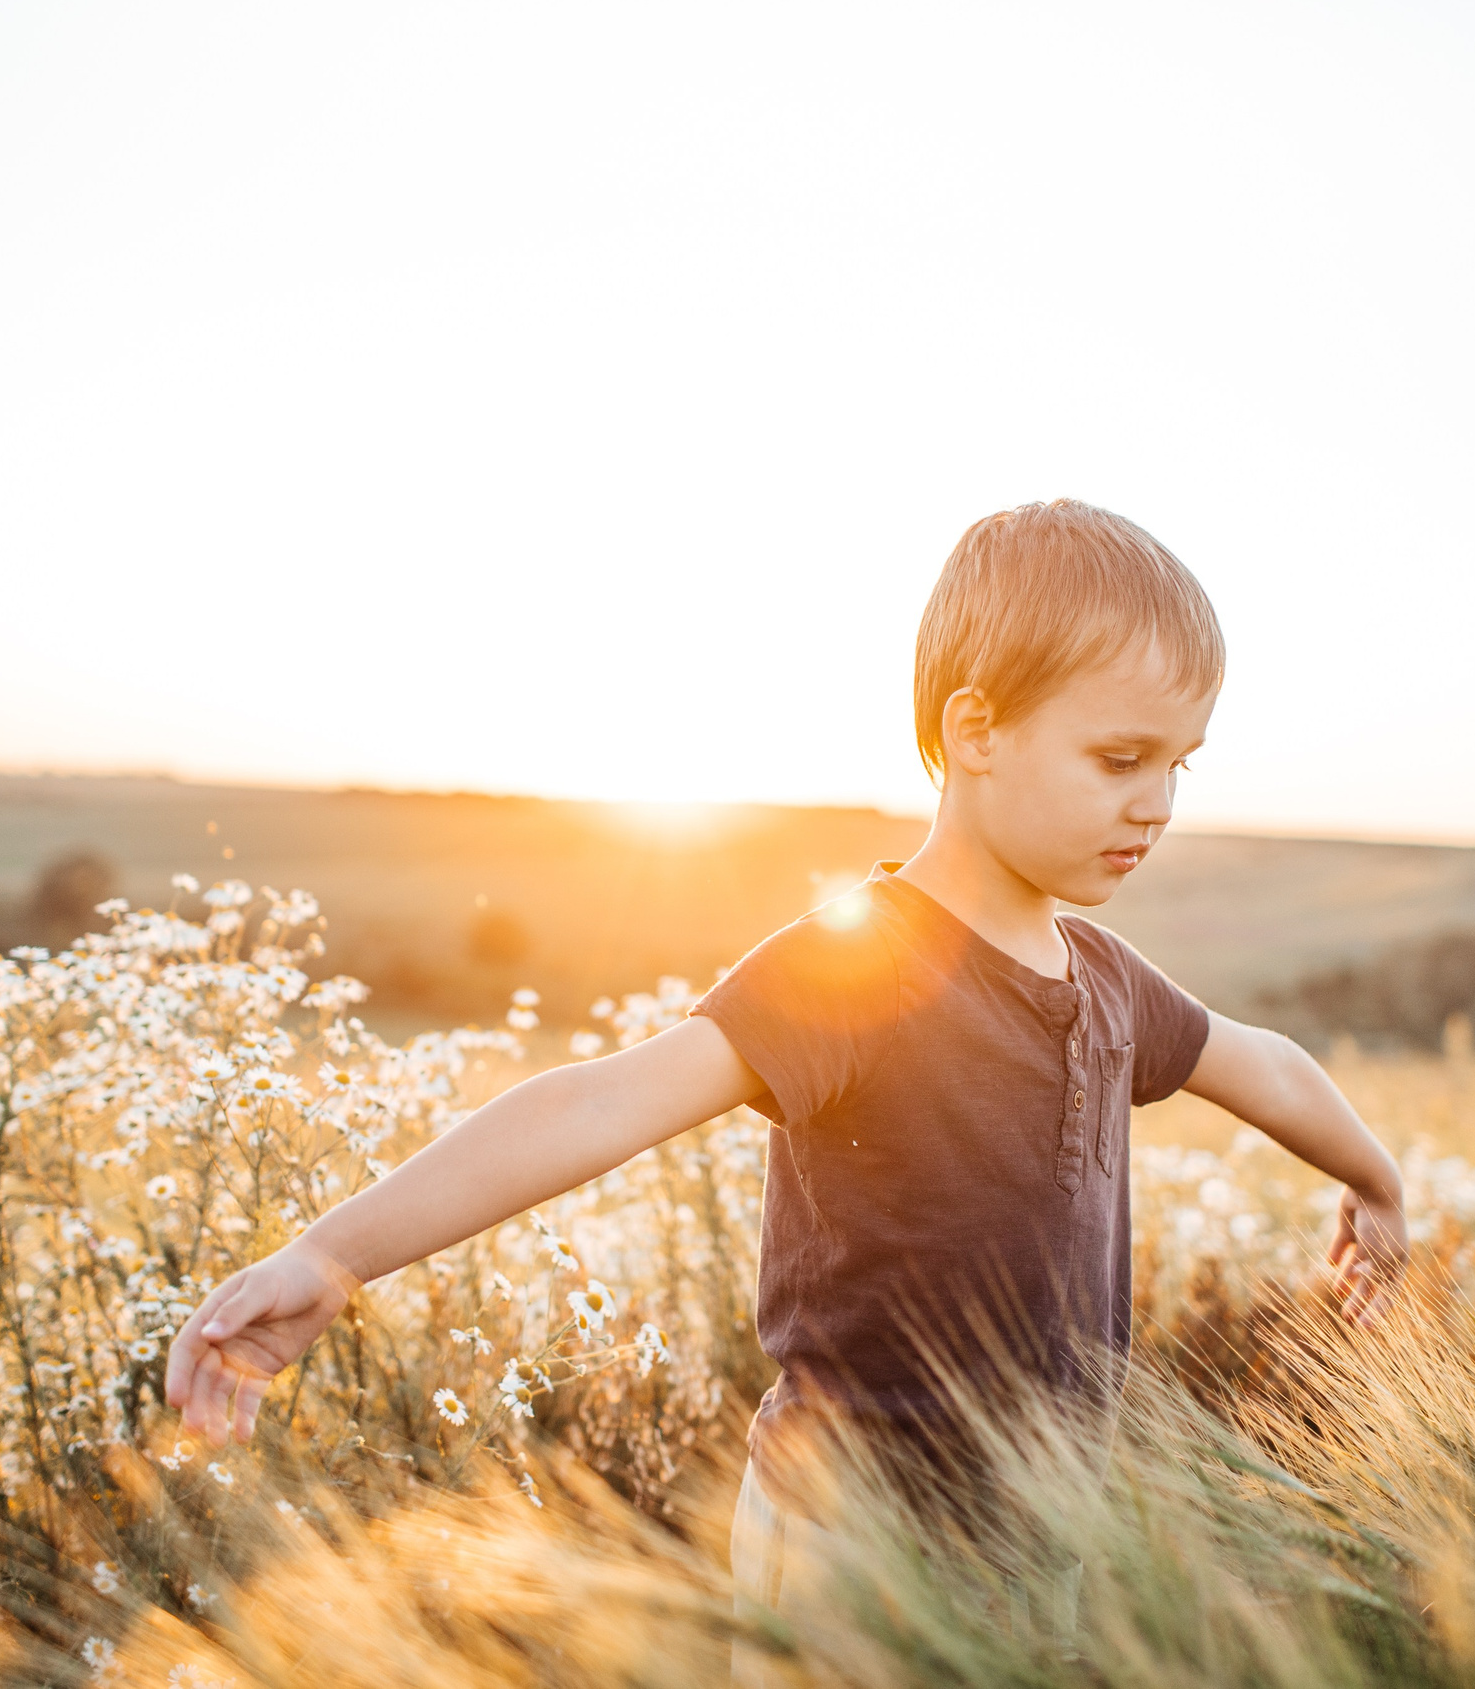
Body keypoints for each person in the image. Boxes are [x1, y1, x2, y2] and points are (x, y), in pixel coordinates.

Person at [164, 498, 1409, 1676]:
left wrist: (1373, 1181)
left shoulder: (1109, 982)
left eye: (1181, 765)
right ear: (975, 732)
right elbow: (596, 1103)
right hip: (850, 1546)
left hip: (1051, 1536)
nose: (1157, 804)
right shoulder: (862, 963)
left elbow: (1265, 1065)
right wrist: (330, 1262)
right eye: (1121, 756)